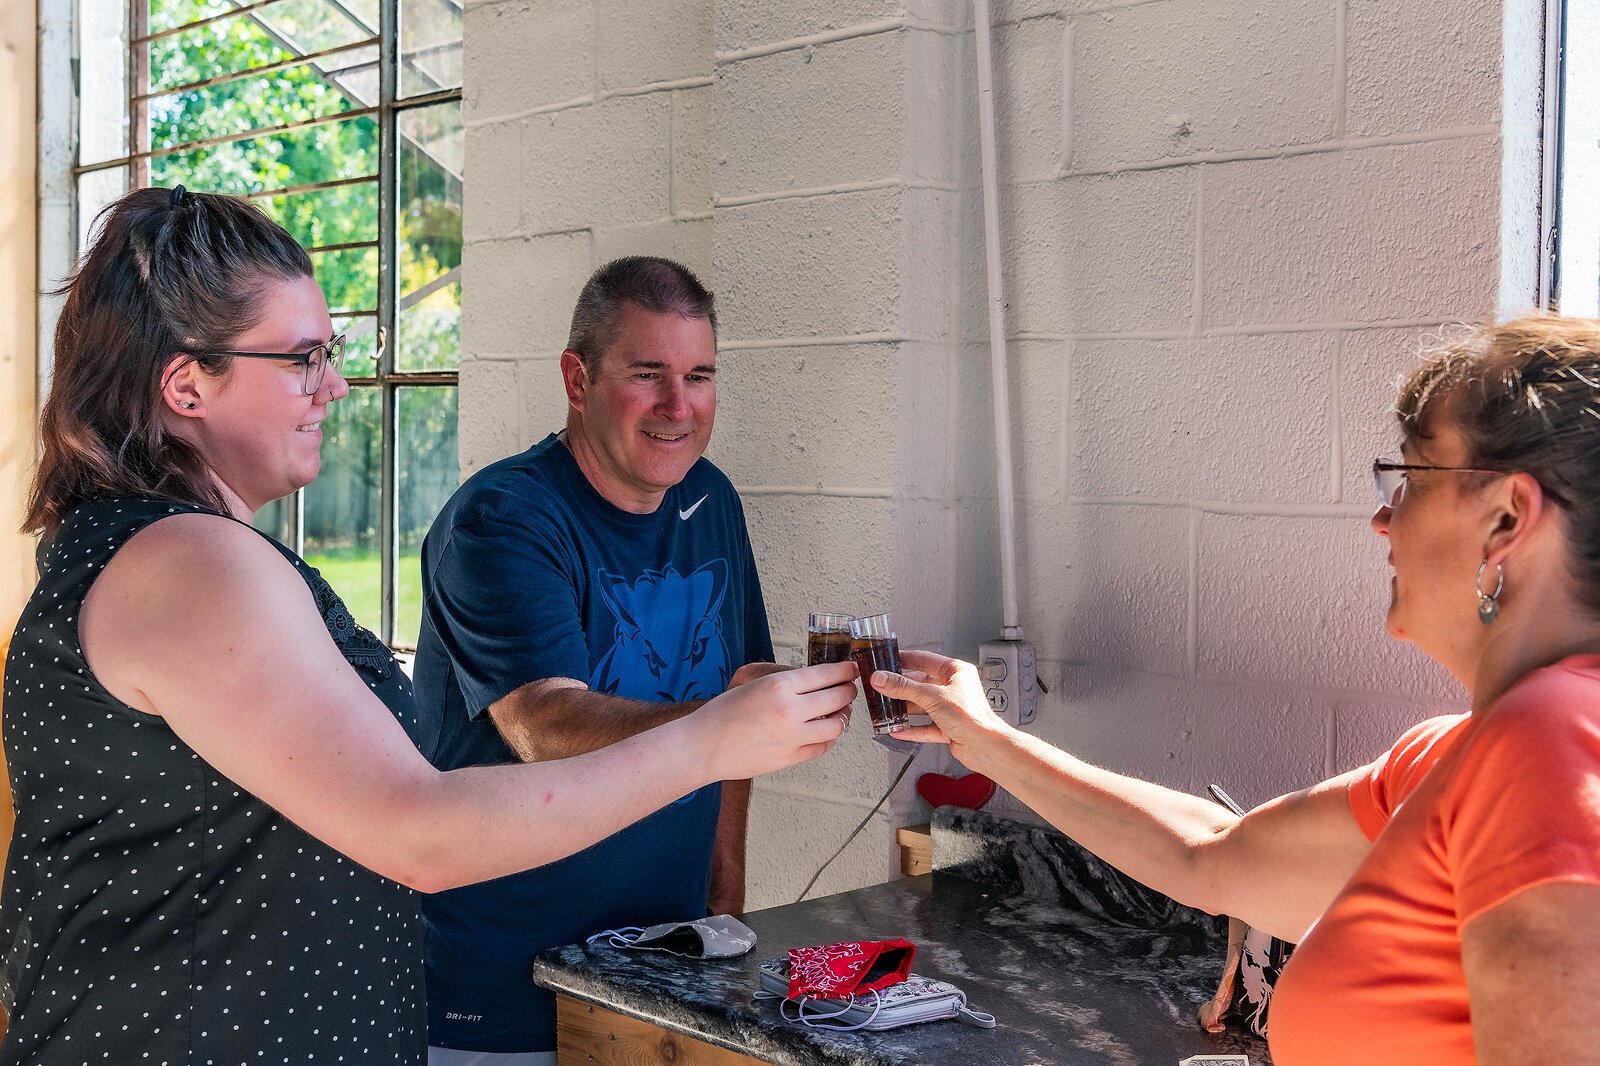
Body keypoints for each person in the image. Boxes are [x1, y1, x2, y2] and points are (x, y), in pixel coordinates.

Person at [0, 188, 856, 1065]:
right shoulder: (190, 565)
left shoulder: (161, 550)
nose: (334, 383)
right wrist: (711, 739)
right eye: (302, 358)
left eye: (332, 352)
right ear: (185, 384)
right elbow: (420, 830)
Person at [877, 313, 1600, 1065]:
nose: (1383, 519)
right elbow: (1210, 855)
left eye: (1413, 477)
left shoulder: (1547, 735)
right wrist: (985, 740)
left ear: (1508, 516)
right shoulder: (1452, 756)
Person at [409, 256, 783, 1064]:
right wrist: (731, 722)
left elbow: (738, 706)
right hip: (502, 982)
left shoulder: (710, 499)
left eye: (700, 375)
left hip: (664, 965)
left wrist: (725, 907)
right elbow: (546, 723)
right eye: (647, 375)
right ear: (577, 380)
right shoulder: (501, 518)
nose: (678, 407)